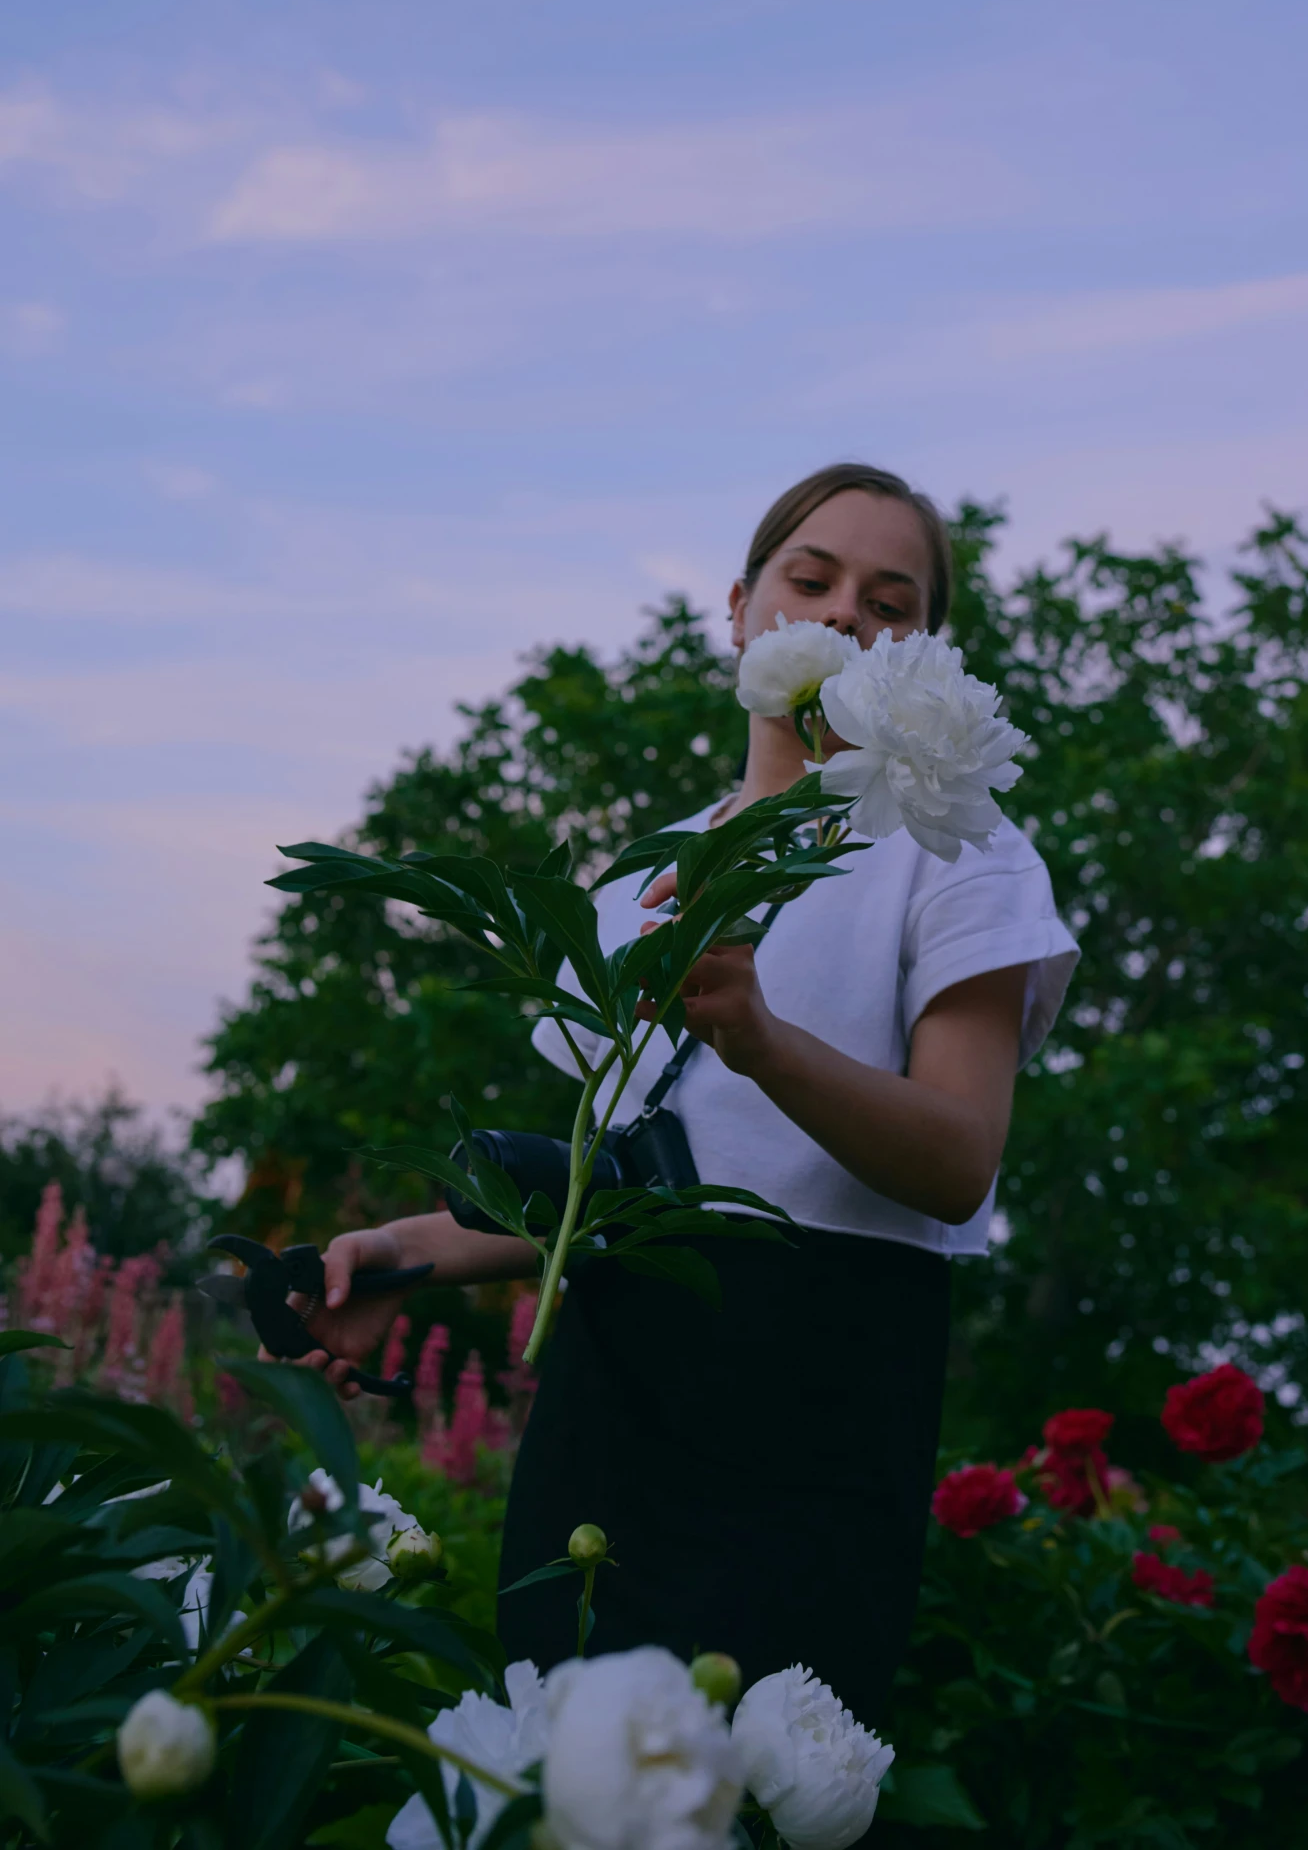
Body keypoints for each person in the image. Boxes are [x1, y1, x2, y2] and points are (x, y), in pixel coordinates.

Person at [294, 463, 1079, 1721]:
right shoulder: (636, 879)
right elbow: (616, 1187)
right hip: (612, 1406)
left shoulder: (961, 849)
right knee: (552, 1763)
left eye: (889, 602)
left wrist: (761, 1038)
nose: (840, 621)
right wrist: (396, 1257)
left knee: (752, 1783)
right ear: (739, 608)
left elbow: (957, 1158)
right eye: (808, 580)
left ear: (928, 650)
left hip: (817, 1404)